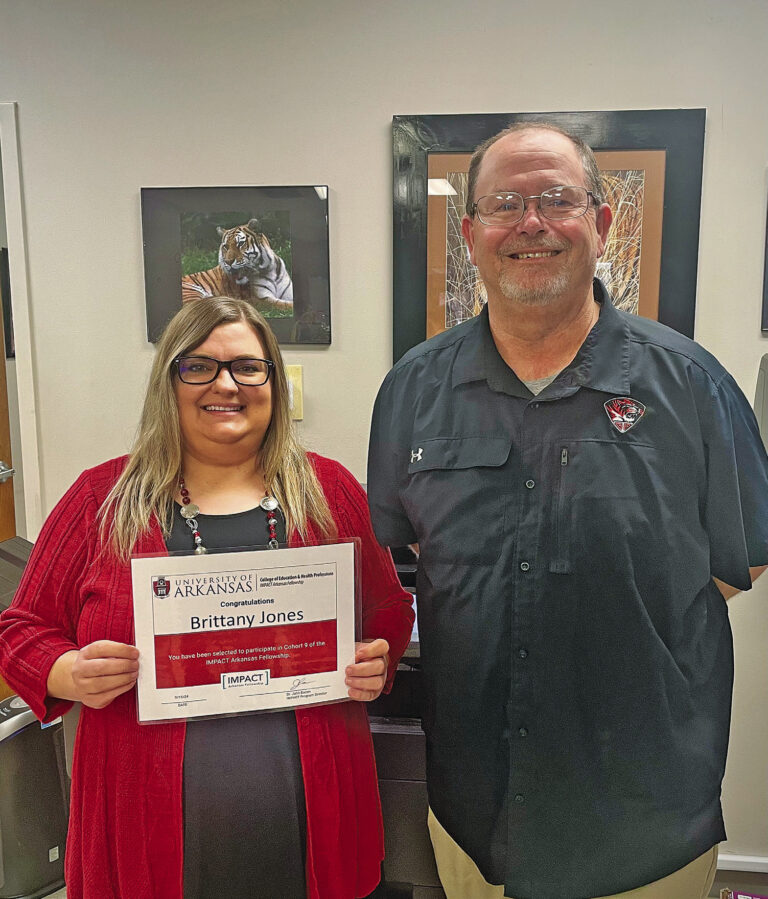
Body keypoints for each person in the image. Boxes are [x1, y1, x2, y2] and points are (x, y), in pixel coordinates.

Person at [366, 122, 768, 899]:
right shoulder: (412, 390)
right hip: (475, 817)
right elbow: (409, 551)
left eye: (557, 199)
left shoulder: (691, 386)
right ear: (471, 233)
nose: (531, 222)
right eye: (505, 203)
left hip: (644, 822)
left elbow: (742, 555)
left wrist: (619, 616)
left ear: (601, 222)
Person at [0, 296, 414, 899]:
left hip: (310, 812)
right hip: (144, 820)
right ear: (168, 382)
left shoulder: (329, 490)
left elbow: (389, 609)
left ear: (273, 382)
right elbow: (21, 629)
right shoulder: (100, 500)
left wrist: (378, 654)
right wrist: (68, 672)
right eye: (198, 367)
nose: (226, 384)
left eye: (247, 367)